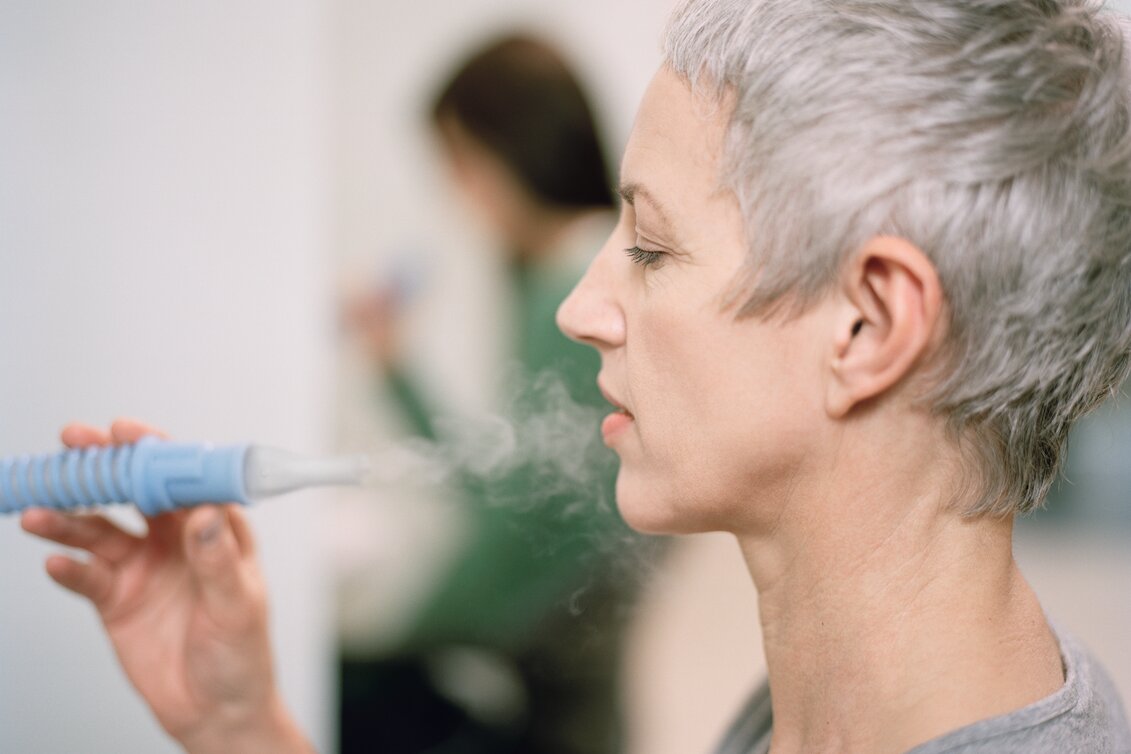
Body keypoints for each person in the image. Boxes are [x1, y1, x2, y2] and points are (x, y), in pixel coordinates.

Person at [21, 0, 1131, 752]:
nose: (579, 307)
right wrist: (243, 724)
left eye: (648, 248)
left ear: (868, 324)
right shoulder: (798, 714)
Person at [339, 34, 640, 754]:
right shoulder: (570, 263)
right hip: (569, 659)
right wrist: (395, 369)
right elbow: (512, 483)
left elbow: (517, 525)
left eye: (459, 163)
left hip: (559, 664)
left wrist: (395, 637)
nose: (458, 193)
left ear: (510, 152)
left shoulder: (566, 283)